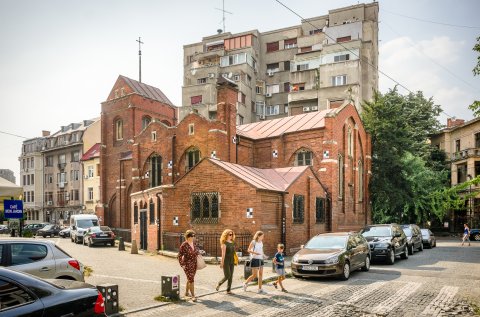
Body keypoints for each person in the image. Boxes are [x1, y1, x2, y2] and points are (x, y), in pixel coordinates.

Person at [178, 230, 200, 301]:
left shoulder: (194, 243)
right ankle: (193, 296)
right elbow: (179, 255)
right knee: (191, 279)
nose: (193, 237)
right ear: (188, 237)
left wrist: (199, 252)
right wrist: (182, 264)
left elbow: (196, 251)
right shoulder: (184, 245)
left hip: (194, 264)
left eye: (194, 236)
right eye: (192, 236)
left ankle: (187, 293)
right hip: (187, 264)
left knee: (189, 278)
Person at [216, 229, 236, 294]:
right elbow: (223, 254)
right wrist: (222, 263)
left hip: (232, 261)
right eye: (230, 234)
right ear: (226, 235)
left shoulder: (232, 242)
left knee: (231, 276)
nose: (231, 236)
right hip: (226, 261)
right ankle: (219, 283)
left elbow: (233, 252)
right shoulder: (224, 244)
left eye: (232, 234)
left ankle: (228, 290)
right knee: (227, 275)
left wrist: (236, 259)